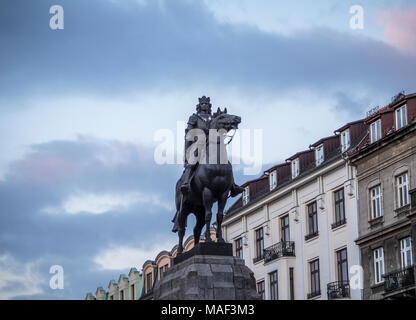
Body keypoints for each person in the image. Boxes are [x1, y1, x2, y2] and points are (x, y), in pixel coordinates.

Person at [180, 96, 243, 197]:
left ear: (209, 106)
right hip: (199, 143)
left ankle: (233, 186)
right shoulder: (194, 118)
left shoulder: (213, 118)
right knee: (193, 159)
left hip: (211, 142)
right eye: (202, 104)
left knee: (225, 161)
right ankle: (186, 183)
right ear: (199, 106)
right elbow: (188, 133)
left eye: (206, 104)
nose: (204, 106)